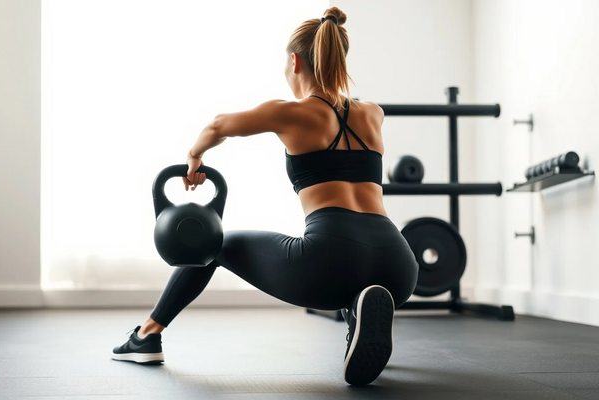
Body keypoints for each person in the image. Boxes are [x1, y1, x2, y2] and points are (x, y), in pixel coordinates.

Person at [111, 6, 419, 386]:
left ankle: (146, 336)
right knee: (350, 268)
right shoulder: (372, 113)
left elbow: (218, 125)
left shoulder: (291, 113)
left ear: (295, 61)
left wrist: (194, 157)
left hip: (332, 260)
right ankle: (358, 312)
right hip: (398, 265)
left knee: (215, 244)